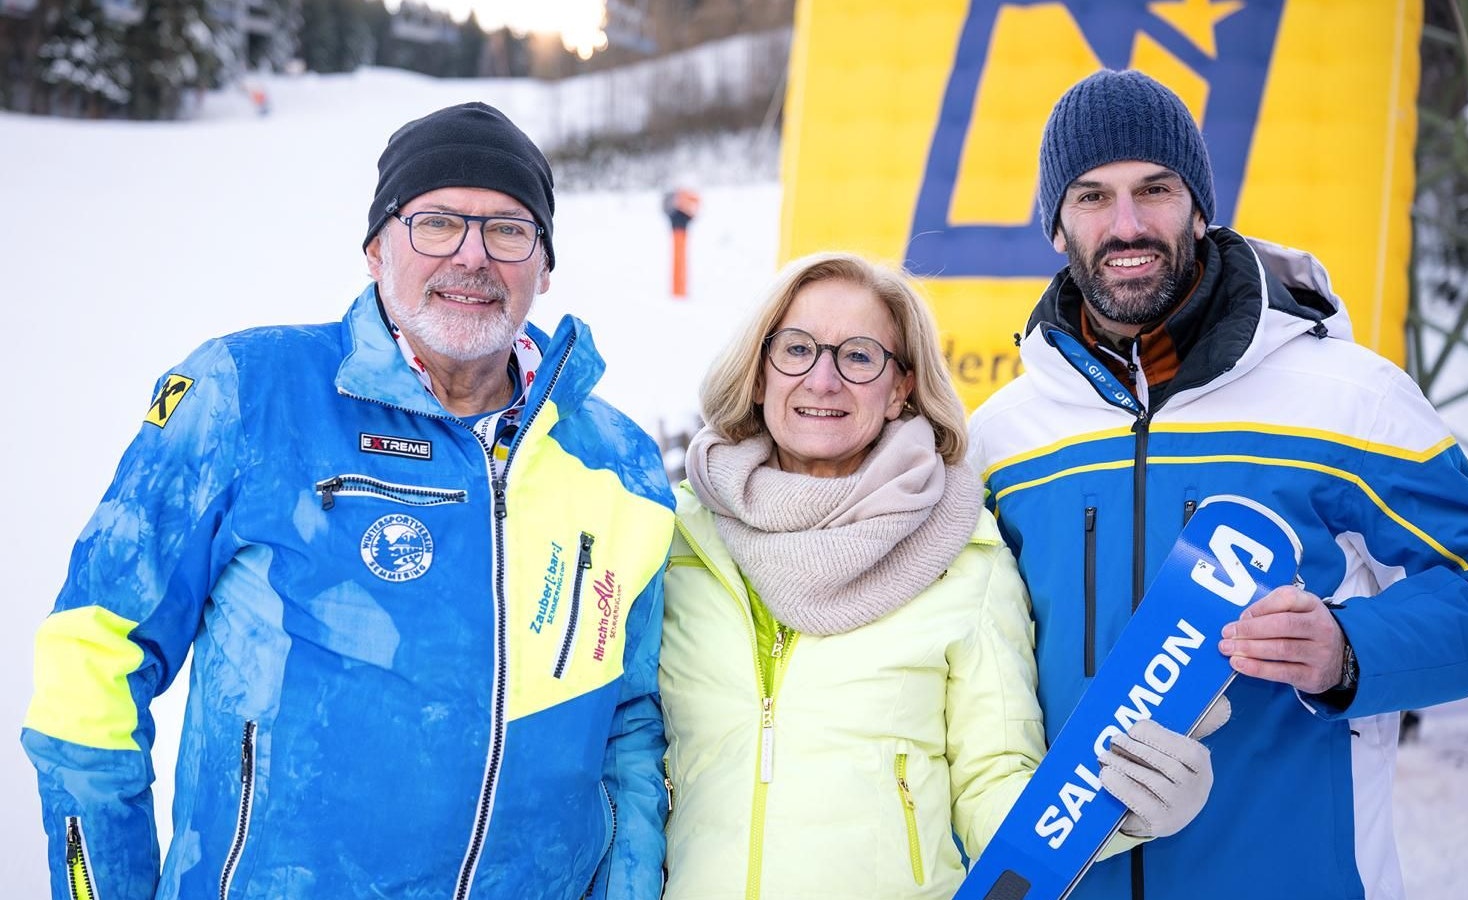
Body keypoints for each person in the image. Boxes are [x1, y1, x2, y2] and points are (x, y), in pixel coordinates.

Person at [22, 102, 675, 899]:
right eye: (437, 223)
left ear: (543, 267)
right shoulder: (249, 394)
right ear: (376, 250)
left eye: (508, 230)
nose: (472, 255)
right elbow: (95, 653)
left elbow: (629, 730)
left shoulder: (619, 462)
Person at [967, 70, 1468, 900]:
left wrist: (1349, 650)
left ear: (1200, 208)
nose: (1126, 225)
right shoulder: (1001, 438)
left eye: (1155, 189)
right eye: (1092, 196)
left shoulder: (1350, 399)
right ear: (1056, 226)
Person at [659, 251, 1045, 898]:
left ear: (900, 389)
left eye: (859, 357)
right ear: (759, 373)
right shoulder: (678, 538)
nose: (823, 380)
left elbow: (995, 782)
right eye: (796, 349)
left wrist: (1113, 806)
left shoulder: (964, 552)